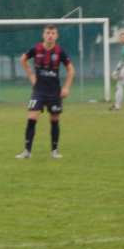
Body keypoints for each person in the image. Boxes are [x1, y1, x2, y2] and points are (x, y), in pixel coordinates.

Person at [16, 25, 75, 159]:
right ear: (43, 35)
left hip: (54, 92)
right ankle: (27, 151)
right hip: (39, 91)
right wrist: (31, 76)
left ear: (56, 36)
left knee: (54, 120)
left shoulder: (60, 51)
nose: (50, 35)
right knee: (31, 118)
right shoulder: (36, 49)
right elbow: (23, 59)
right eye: (48, 33)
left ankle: (54, 151)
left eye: (53, 33)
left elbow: (71, 70)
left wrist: (66, 88)